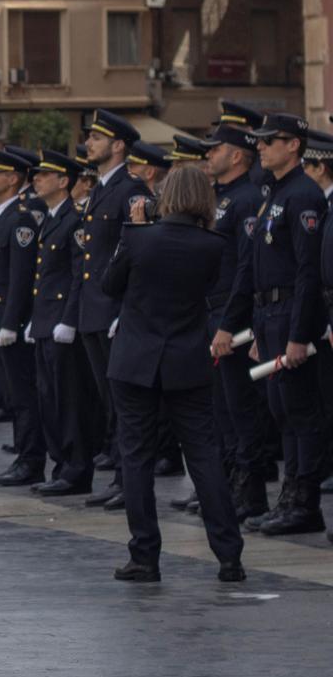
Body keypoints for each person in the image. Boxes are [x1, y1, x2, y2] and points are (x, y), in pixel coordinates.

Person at [108, 164, 245, 582]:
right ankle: (229, 556)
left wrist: (131, 230)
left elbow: (109, 286)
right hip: (187, 359)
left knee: (136, 458)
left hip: (135, 359)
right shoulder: (213, 245)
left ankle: (144, 556)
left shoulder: (139, 238)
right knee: (204, 455)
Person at [216, 111, 327, 535]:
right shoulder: (273, 194)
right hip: (268, 315)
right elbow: (249, 266)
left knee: (300, 412)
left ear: (293, 145)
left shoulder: (302, 195)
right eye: (259, 141)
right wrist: (239, 325)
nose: (259, 147)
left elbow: (307, 273)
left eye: (268, 141)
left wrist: (299, 335)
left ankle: (304, 502)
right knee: (280, 412)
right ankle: (289, 498)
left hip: (289, 313)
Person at [203, 108, 275, 520]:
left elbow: (245, 268)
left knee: (241, 407)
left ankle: (250, 490)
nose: (209, 155)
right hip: (215, 313)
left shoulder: (247, 198)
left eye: (217, 149)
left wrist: (231, 323)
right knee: (222, 408)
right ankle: (231, 480)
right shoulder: (223, 197)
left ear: (237, 156)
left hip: (236, 317)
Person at [70, 110, 141, 509]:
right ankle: (119, 474)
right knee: (110, 402)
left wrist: (124, 311)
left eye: (97, 138)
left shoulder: (131, 191)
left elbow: (135, 254)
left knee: (125, 403)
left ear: (118, 146)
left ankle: (128, 481)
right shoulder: (100, 189)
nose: (88, 144)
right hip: (94, 310)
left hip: (114, 312)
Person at [0, 148, 47, 487]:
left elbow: (21, 277)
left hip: (10, 322)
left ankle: (30, 459)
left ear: (13, 178)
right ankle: (24, 452)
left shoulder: (20, 218)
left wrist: (9, 322)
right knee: (12, 394)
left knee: (23, 395)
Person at [26, 150, 90, 496]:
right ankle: (61, 464)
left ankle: (76, 469)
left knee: (68, 400)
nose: (36, 178)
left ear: (63, 181)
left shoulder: (74, 219)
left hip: (61, 324)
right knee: (48, 397)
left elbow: (79, 275)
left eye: (45, 174)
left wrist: (69, 320)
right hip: (46, 322)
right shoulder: (53, 217)